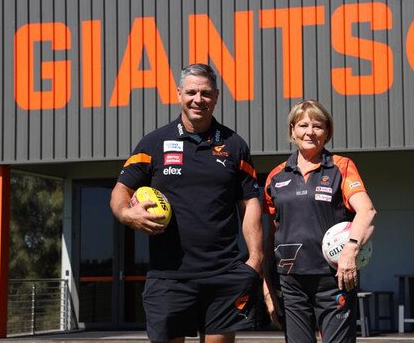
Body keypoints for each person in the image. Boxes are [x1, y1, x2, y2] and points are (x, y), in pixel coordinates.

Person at [110, 63, 263, 343]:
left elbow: (251, 202)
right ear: (179, 94)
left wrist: (255, 259)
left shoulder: (235, 145)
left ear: (216, 97)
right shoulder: (154, 143)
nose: (198, 100)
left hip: (223, 273)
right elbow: (121, 190)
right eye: (191, 92)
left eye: (205, 93)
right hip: (169, 276)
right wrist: (126, 214)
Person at [262, 100, 377, 343]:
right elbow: (271, 235)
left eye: (318, 126)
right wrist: (267, 288)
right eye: (303, 125)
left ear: (327, 131)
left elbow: (366, 212)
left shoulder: (341, 167)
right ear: (292, 130)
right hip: (291, 281)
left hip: (334, 278)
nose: (310, 132)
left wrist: (349, 251)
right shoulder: (276, 176)